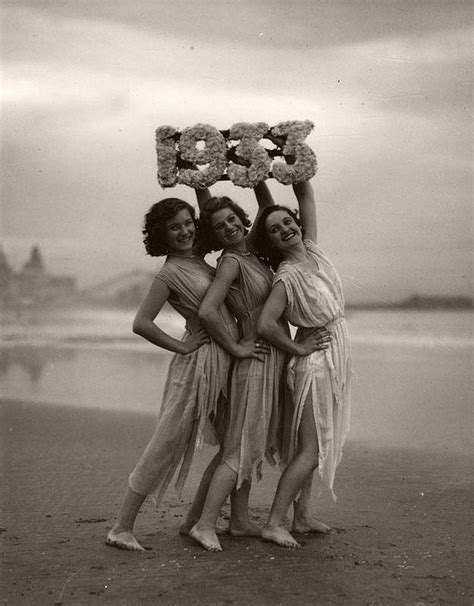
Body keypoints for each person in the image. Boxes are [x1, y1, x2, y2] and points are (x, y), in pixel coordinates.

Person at [189, 182, 330, 552]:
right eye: (220, 227)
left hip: (274, 357)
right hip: (258, 358)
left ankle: (238, 520)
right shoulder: (232, 262)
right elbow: (207, 310)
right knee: (240, 448)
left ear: (242, 220)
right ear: (214, 234)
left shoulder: (252, 253)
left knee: (252, 443)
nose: (230, 228)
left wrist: (257, 178)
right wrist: (236, 347)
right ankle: (204, 525)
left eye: (234, 219)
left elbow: (267, 211)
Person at [106, 195, 251, 551]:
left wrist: (199, 186)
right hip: (197, 364)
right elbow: (141, 323)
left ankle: (194, 522)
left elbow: (211, 211)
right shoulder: (169, 273)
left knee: (233, 444)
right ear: (162, 234)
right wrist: (183, 346)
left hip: (223, 360)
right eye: (174, 227)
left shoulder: (200, 260)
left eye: (188, 223)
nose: (184, 231)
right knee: (168, 441)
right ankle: (121, 528)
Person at [254, 178, 352, 549]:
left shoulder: (312, 250)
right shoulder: (287, 275)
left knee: (316, 445)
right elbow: (265, 324)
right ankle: (274, 522)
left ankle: (303, 515)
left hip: (333, 354)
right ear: (272, 243)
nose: (285, 230)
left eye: (287, 222)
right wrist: (299, 350)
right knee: (311, 450)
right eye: (275, 230)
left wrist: (287, 161)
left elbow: (306, 193)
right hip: (314, 363)